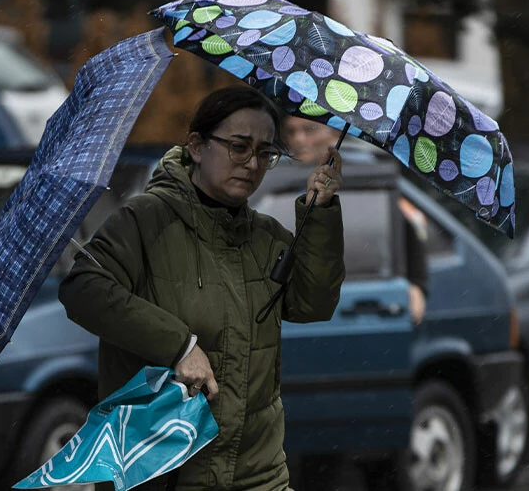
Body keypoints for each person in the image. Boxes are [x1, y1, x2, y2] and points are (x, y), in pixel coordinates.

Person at [59, 86, 346, 491]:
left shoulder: (266, 237)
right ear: (196, 146)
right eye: (239, 147)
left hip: (257, 473)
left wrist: (319, 214)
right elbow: (83, 288)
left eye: (265, 152)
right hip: (162, 472)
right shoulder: (145, 220)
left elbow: (312, 304)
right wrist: (179, 346)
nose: (252, 163)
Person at [281, 115, 428, 325]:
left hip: (359, 293)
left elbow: (413, 221)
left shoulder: (365, 171)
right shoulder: (278, 173)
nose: (299, 140)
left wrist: (417, 284)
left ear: (333, 131)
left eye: (309, 130)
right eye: (291, 132)